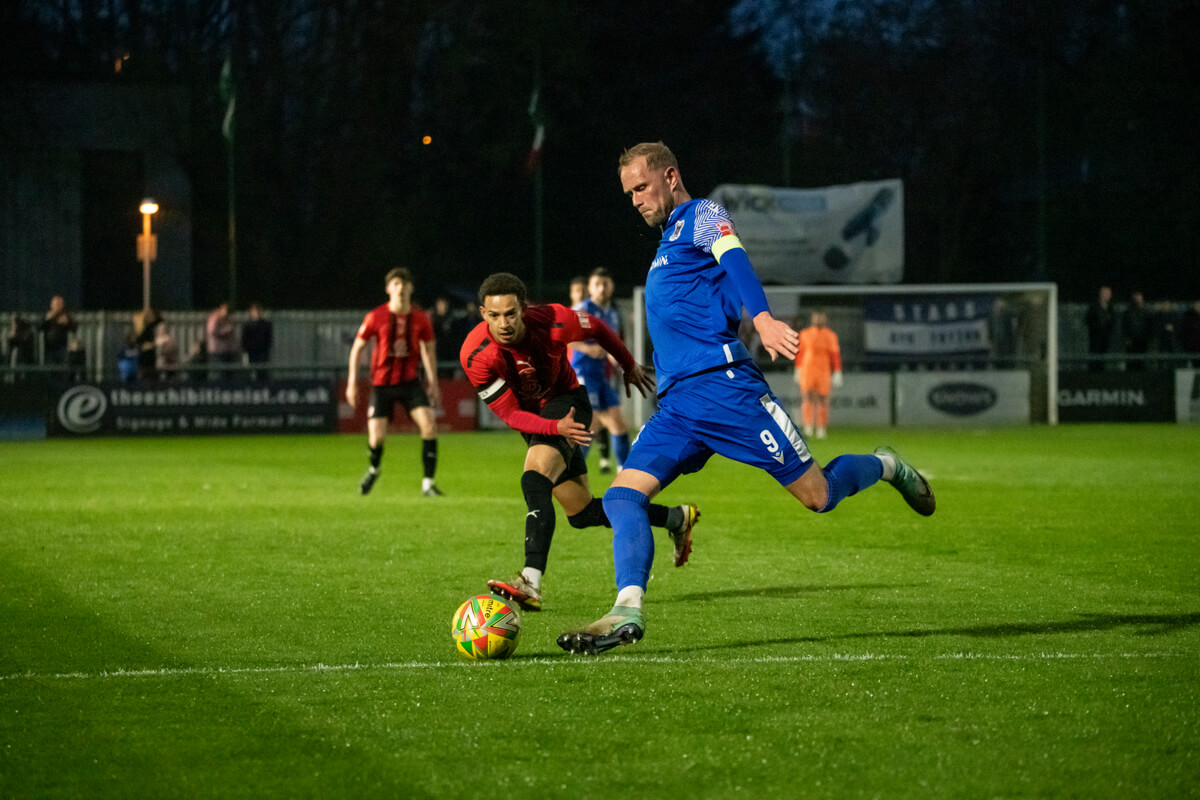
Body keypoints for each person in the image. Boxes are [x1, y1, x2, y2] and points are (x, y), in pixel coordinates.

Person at [557, 142, 934, 656]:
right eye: (629, 194)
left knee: (818, 496)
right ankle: (626, 608)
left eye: (641, 188)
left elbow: (735, 261)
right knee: (623, 497)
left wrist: (761, 317)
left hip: (725, 389)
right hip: (678, 407)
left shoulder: (702, 214)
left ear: (670, 176)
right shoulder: (669, 238)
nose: (635, 201)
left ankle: (887, 466)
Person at [460, 272, 699, 613]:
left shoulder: (556, 319)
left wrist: (628, 365)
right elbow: (511, 415)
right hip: (541, 420)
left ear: (524, 309)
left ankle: (530, 580)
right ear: (483, 313)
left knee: (534, 477)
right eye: (494, 315)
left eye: (510, 314)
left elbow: (598, 330)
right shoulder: (475, 355)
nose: (504, 323)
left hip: (568, 402)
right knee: (583, 513)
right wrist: (552, 427)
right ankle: (675, 518)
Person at [347, 267, 442, 497]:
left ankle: (428, 484)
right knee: (377, 438)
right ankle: (374, 469)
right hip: (382, 384)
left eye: (405, 284)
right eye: (396, 284)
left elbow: (428, 351)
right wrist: (352, 382)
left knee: (429, 426)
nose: (401, 288)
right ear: (389, 289)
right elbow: (358, 347)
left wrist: (433, 382)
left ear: (411, 288)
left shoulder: (421, 318)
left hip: (410, 383)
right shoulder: (375, 316)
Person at [569, 267, 630, 472]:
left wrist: (621, 363)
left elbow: (611, 346)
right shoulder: (582, 309)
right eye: (597, 284)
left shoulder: (611, 314)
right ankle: (574, 473)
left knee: (619, 426)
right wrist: (587, 348)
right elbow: (562, 338)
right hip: (582, 375)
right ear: (590, 288)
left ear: (611, 287)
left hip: (601, 376)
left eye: (605, 284)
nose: (601, 289)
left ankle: (624, 472)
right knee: (590, 425)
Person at [793, 310, 843, 439]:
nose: (819, 319)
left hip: (823, 370)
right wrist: (797, 369)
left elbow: (835, 354)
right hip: (807, 369)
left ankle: (821, 428)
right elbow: (800, 353)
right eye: (817, 317)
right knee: (807, 397)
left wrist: (837, 371)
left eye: (821, 317)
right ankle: (808, 426)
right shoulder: (805, 334)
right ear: (812, 318)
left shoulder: (830, 335)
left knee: (822, 399)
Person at [1084, 285, 1116, 372]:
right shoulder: (1094, 307)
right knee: (1094, 358)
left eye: (1109, 294)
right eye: (1106, 294)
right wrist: (1096, 328)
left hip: (1105, 338)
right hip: (1095, 338)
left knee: (1103, 359)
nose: (1108, 296)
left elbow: (1112, 321)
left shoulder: (1110, 308)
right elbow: (1088, 320)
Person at [40, 295, 77, 368]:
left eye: (59, 304)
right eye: (55, 304)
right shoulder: (47, 315)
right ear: (52, 305)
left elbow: (74, 328)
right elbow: (39, 327)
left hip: (63, 348)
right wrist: (46, 320)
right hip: (49, 349)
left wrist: (67, 322)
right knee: (49, 368)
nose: (57, 306)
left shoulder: (66, 315)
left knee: (62, 368)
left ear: (62, 305)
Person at [206, 301, 239, 379]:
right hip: (217, 351)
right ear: (221, 309)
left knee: (229, 374)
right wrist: (225, 331)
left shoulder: (229, 319)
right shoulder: (215, 318)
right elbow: (212, 331)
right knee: (218, 375)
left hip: (228, 351)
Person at [241, 302, 273, 380]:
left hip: (262, 352)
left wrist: (266, 348)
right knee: (250, 372)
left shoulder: (266, 324)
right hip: (251, 352)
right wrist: (246, 350)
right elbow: (244, 339)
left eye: (258, 311)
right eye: (254, 311)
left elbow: (269, 338)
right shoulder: (247, 325)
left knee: (262, 371)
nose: (256, 313)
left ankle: (263, 387)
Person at [1121, 291, 1152, 371]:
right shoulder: (1129, 312)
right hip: (1132, 341)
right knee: (1131, 361)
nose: (1138, 299)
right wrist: (1127, 338)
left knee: (1141, 361)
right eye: (1136, 296)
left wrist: (1147, 337)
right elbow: (1126, 326)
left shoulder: (1146, 312)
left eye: (1139, 296)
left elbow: (1148, 326)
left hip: (1142, 340)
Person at [1180, 300, 1200, 367]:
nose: (1198, 307)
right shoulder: (1189, 318)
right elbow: (1185, 334)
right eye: (1197, 305)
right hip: (1193, 348)